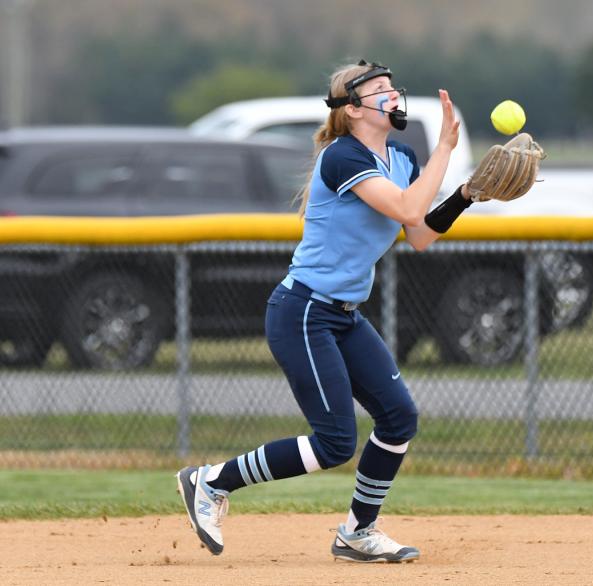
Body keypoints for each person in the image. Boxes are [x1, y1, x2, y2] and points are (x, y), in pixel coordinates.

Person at [176, 59, 477, 563]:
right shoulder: (341, 155)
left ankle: (358, 532)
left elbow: (420, 234)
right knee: (336, 442)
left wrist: (466, 195)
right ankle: (210, 481)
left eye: (392, 88)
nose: (393, 96)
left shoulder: (400, 158)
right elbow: (406, 210)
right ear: (354, 109)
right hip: (303, 311)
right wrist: (446, 149)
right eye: (380, 91)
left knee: (398, 417)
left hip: (343, 315)